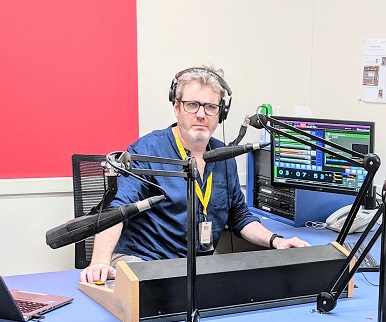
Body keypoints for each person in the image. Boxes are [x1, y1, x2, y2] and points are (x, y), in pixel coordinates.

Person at [80, 65, 309, 283]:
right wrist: (99, 262)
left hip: (195, 268)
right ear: (177, 107)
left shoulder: (224, 156)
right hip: (144, 261)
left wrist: (276, 241)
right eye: (192, 105)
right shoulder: (148, 150)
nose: (201, 114)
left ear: (221, 114)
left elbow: (239, 216)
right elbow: (117, 210)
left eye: (210, 107)